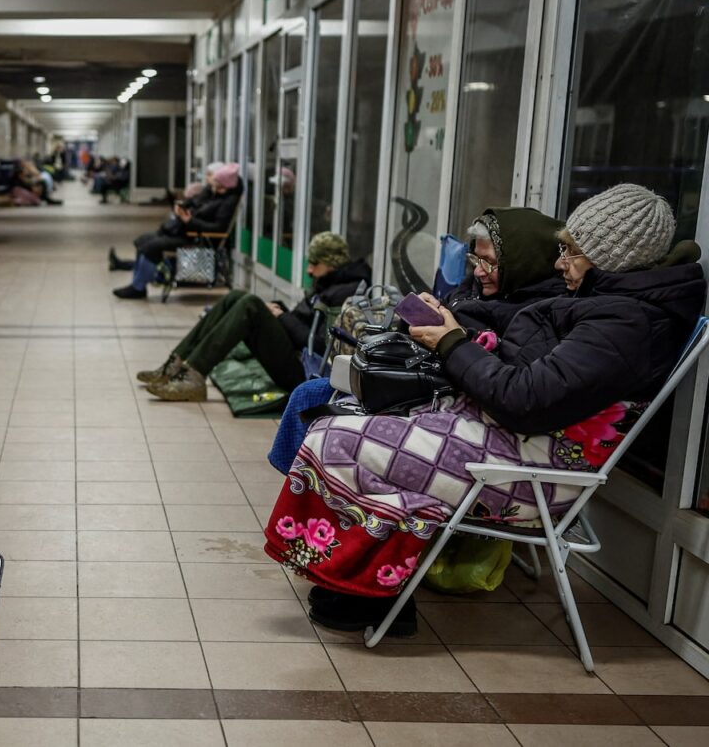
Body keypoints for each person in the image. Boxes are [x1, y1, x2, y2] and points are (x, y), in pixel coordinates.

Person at [265, 184, 705, 636]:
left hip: (534, 471)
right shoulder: (612, 307)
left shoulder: (624, 324)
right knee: (345, 417)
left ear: (611, 257)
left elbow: (524, 400)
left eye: (571, 252)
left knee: (337, 438)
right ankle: (363, 588)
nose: (559, 263)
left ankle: (366, 590)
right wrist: (458, 334)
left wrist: (453, 342)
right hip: (515, 441)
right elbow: (532, 374)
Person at [139, 232, 371, 400]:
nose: (309, 270)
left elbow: (320, 345)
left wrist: (281, 317)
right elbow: (305, 320)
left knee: (250, 305)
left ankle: (194, 376)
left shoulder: (343, 293)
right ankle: (176, 362)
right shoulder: (328, 281)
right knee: (236, 297)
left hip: (304, 370)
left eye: (314, 263)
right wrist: (280, 311)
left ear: (331, 263)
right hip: (296, 351)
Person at [110, 163, 243, 300]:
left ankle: (138, 287)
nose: (213, 187)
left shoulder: (227, 203)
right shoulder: (213, 193)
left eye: (218, 185)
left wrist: (190, 221)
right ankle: (138, 284)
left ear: (226, 186)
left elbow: (218, 228)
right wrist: (182, 206)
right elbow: (195, 201)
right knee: (143, 241)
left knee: (151, 247)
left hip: (197, 238)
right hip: (185, 231)